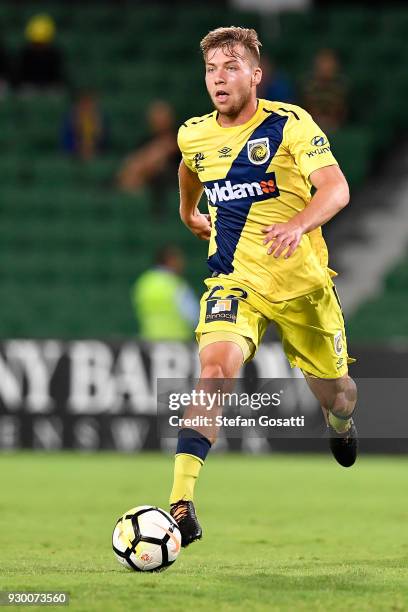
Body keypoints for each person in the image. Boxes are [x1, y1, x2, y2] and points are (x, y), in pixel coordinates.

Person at [168, 26, 358, 548]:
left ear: (256, 74)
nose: (218, 78)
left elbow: (336, 188)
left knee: (338, 395)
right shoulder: (193, 132)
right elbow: (190, 167)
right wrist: (187, 210)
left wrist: (298, 224)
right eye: (210, 69)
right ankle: (182, 504)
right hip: (235, 279)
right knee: (213, 370)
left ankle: (340, 426)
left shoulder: (290, 124)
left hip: (302, 286)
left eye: (230, 67)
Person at [117, 100, 179, 216]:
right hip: (144, 181)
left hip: (168, 180)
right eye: (155, 118)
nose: (158, 121)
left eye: (161, 117)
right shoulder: (145, 141)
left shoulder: (179, 140)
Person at [131, 245, 199, 341]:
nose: (182, 263)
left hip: (149, 342)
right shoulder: (176, 284)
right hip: (177, 343)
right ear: (170, 260)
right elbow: (194, 316)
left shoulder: (143, 282)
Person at [16, 14, 66, 93]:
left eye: (42, 44)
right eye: (36, 44)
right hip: (29, 88)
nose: (39, 47)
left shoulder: (55, 54)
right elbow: (19, 78)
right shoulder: (25, 54)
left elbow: (58, 78)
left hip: (50, 88)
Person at [302, 48, 347, 132]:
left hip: (336, 127)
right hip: (311, 126)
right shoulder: (307, 86)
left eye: (329, 63)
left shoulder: (341, 86)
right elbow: (306, 108)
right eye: (323, 63)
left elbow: (341, 111)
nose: (325, 67)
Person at [61, 90, 109, 160]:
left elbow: (102, 140)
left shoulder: (100, 118)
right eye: (83, 103)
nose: (86, 106)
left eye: (89, 103)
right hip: (75, 151)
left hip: (96, 151)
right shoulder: (70, 119)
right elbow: (67, 141)